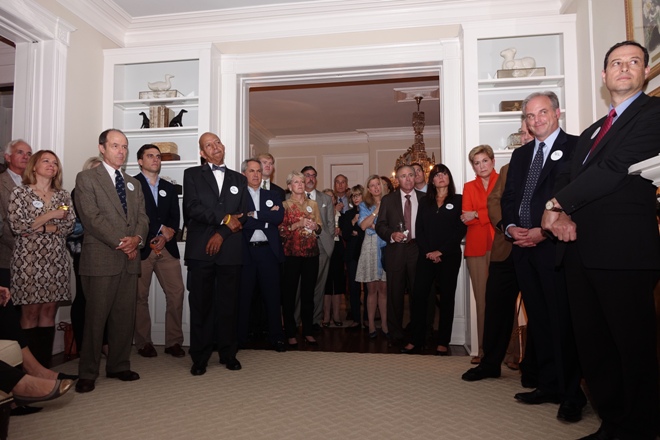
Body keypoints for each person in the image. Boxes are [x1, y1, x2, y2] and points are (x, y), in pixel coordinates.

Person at [542, 41, 660, 440]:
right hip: (579, 250)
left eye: (633, 62)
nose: (624, 68)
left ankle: (641, 427)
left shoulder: (654, 113)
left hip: (624, 251)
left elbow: (613, 168)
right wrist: (558, 211)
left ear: (644, 72)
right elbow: (566, 175)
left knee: (633, 346)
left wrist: (557, 204)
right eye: (615, 63)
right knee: (595, 347)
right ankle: (613, 424)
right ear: (604, 75)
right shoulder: (592, 130)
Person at [500, 91, 585, 423]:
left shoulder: (576, 147)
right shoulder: (520, 156)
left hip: (554, 250)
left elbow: (575, 195)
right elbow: (510, 198)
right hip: (522, 250)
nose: (536, 120)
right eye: (530, 115)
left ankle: (571, 394)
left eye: (542, 112)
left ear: (557, 113)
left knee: (562, 320)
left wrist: (542, 230)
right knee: (539, 319)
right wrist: (511, 228)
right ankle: (548, 384)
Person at [462, 120, 538, 387]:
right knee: (494, 306)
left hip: (539, 247)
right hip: (505, 247)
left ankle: (534, 367)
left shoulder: (554, 161)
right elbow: (495, 202)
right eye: (523, 133)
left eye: (530, 132)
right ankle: (490, 362)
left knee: (538, 310)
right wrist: (506, 227)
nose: (526, 136)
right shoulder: (509, 168)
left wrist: (538, 231)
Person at [74, 129, 149, 393]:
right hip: (101, 258)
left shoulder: (133, 183)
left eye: (125, 146)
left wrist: (137, 239)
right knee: (95, 318)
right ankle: (88, 372)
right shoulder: (86, 178)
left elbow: (143, 217)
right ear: (102, 148)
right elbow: (91, 217)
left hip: (130, 258)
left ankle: (118, 365)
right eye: (115, 145)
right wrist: (122, 242)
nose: (121, 151)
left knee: (123, 317)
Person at [183, 132, 247, 376]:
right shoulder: (191, 175)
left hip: (230, 249)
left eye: (217, 142)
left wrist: (221, 233)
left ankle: (228, 354)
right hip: (200, 250)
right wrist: (224, 219)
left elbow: (242, 215)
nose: (215, 147)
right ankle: (199, 357)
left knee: (229, 305)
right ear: (202, 152)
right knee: (201, 305)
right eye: (208, 145)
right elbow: (192, 208)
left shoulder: (238, 179)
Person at [8, 150, 76, 368]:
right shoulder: (20, 193)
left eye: (55, 163)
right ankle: (29, 369)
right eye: (46, 161)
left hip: (56, 260)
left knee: (48, 311)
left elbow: (68, 226)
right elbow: (18, 226)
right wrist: (50, 216)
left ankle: (45, 368)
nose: (51, 165)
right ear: (34, 166)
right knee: (31, 312)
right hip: (28, 261)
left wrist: (39, 225)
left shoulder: (63, 195)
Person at [401, 164, 466, 355]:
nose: (441, 177)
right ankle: (416, 339)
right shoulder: (425, 202)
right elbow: (419, 229)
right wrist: (429, 251)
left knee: (446, 299)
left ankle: (443, 341)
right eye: (437, 175)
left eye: (444, 174)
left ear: (449, 178)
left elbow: (460, 229)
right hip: (426, 256)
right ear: (432, 181)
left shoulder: (459, 200)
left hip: (450, 257)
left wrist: (441, 251)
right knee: (419, 297)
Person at [133, 144, 185, 359]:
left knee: (176, 293)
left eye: (158, 156)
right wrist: (156, 229)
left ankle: (173, 342)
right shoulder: (131, 185)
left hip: (167, 249)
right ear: (140, 161)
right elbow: (133, 216)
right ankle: (144, 342)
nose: (155, 159)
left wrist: (166, 235)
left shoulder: (169, 187)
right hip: (142, 248)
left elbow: (175, 217)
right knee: (139, 297)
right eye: (150, 156)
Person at [238, 159, 286, 352]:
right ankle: (239, 339)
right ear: (244, 174)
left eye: (258, 171)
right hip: (246, 252)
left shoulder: (273, 194)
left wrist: (254, 215)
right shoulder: (238, 196)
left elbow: (279, 217)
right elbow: (240, 221)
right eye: (251, 171)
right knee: (243, 297)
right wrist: (266, 217)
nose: (256, 174)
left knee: (273, 297)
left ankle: (277, 338)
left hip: (268, 252)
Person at [375, 165, 424, 345]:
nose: (408, 179)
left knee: (417, 294)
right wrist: (391, 235)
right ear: (398, 180)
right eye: (404, 176)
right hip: (395, 251)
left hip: (417, 250)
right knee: (394, 294)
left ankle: (418, 331)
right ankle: (395, 333)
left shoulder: (425, 198)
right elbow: (380, 225)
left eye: (411, 175)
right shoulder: (388, 200)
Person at [461, 144, 498, 364]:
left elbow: (501, 209)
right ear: (473, 167)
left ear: (492, 161)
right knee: (482, 300)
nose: (481, 166)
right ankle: (483, 350)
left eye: (485, 161)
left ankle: (512, 352)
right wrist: (481, 213)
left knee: (504, 299)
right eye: (477, 162)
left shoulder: (503, 179)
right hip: (476, 248)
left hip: (501, 245)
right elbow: (465, 216)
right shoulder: (468, 187)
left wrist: (477, 213)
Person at [68, 156, 107, 357]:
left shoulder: (109, 193)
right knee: (84, 298)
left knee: (105, 299)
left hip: (107, 251)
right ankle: (84, 346)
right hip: (85, 251)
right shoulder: (79, 191)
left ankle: (104, 343)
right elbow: (76, 226)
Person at [279, 171, 323, 347]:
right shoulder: (284, 205)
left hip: (311, 254)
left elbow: (320, 228)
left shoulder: (313, 204)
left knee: (308, 294)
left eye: (302, 182)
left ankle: (308, 331)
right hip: (291, 255)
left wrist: (315, 226)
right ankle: (290, 332)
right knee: (289, 294)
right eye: (296, 182)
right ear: (289, 186)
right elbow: (281, 231)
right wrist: (298, 224)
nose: (300, 184)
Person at [300, 166, 334, 329]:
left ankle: (315, 321)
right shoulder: (292, 197)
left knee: (318, 287)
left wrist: (329, 246)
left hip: (321, 248)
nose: (310, 178)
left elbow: (330, 225)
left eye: (313, 175)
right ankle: (297, 320)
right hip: (299, 249)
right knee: (300, 286)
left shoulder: (325, 199)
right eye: (307, 175)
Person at [355, 175, 388, 338]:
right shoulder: (364, 205)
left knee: (383, 289)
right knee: (371, 289)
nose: (376, 188)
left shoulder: (391, 202)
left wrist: (374, 225)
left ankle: (385, 325)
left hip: (386, 247)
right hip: (369, 247)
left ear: (383, 186)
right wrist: (376, 211)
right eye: (372, 185)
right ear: (368, 189)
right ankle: (371, 326)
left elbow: (391, 225)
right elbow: (362, 225)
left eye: (378, 184)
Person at [0, 140, 32, 288]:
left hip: (34, 259)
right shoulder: (1, 183)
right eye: (20, 152)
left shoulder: (36, 183)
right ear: (7, 157)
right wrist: (24, 247)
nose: (26, 156)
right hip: (7, 257)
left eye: (29, 154)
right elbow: (3, 222)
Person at [339, 185, 366, 330]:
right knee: (354, 289)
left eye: (358, 195)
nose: (356, 198)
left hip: (366, 253)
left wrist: (356, 233)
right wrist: (353, 223)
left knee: (368, 288)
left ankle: (367, 319)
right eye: (353, 196)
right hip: (352, 255)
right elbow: (345, 234)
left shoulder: (369, 211)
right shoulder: (348, 214)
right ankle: (356, 319)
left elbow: (367, 232)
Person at [322, 188, 344, 327]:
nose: (330, 199)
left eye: (332, 197)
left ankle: (336, 315)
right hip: (324, 248)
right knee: (326, 282)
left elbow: (347, 233)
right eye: (327, 197)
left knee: (338, 282)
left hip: (338, 249)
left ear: (335, 200)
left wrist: (340, 231)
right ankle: (325, 316)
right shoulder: (321, 214)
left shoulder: (342, 215)